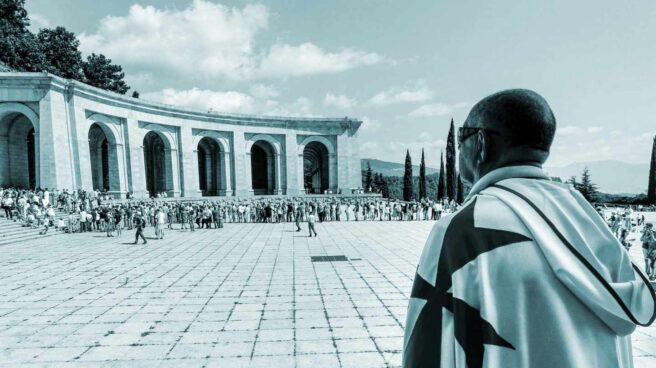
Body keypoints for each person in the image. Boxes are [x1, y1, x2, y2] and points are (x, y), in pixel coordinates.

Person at [403, 89, 655, 368]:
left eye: (462, 138)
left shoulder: (464, 229)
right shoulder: (586, 218)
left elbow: (426, 344)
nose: (458, 148)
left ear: (481, 144)